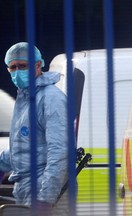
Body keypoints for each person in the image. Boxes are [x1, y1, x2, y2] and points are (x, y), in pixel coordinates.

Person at [0, 42, 69, 215]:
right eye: (13, 67)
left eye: (22, 66)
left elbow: (59, 151)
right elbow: (24, 147)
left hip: (42, 191)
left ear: (38, 65)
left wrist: (45, 198)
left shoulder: (51, 100)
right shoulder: (25, 99)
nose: (17, 72)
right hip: (26, 189)